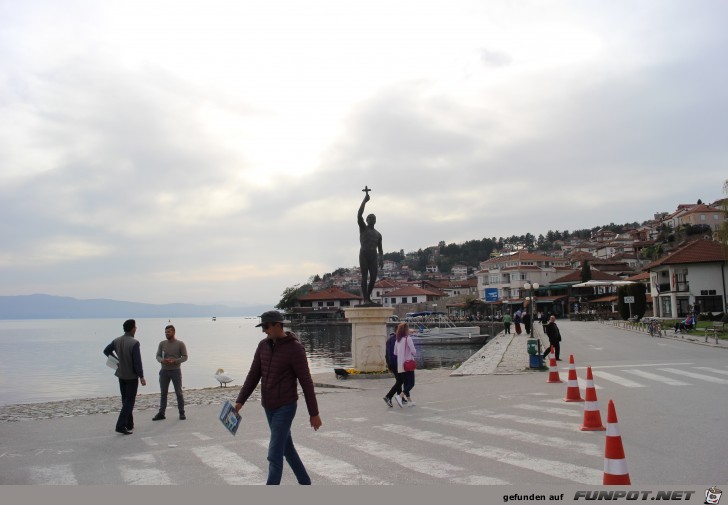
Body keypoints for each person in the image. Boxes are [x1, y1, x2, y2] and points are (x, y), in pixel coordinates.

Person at [235, 310, 322, 485]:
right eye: (262, 327)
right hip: (268, 406)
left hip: (286, 406)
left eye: (266, 326)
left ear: (277, 325)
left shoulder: (295, 349)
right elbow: (253, 375)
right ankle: (305, 483)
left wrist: (314, 413)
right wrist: (239, 402)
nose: (264, 331)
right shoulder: (262, 346)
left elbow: (306, 382)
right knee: (287, 448)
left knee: (274, 454)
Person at [103, 319, 146, 435]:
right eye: (135, 327)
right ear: (132, 328)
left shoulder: (117, 340)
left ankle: (129, 423)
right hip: (131, 376)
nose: (136, 328)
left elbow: (106, 351)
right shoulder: (134, 343)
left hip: (121, 374)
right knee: (129, 401)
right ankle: (120, 425)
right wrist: (141, 376)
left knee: (125, 399)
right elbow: (137, 362)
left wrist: (116, 360)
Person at [152, 324, 188, 421]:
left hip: (175, 371)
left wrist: (175, 361)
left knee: (179, 393)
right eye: (165, 332)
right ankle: (161, 413)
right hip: (164, 371)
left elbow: (185, 357)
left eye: (168, 332)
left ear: (173, 332)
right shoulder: (162, 343)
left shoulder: (180, 344)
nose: (166, 334)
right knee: (163, 393)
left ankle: (181, 412)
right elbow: (158, 356)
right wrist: (161, 361)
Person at [357, 189, 383, 305]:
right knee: (364, 276)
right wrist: (365, 201)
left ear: (376, 221)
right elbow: (359, 214)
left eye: (374, 218)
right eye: (370, 218)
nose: (372, 219)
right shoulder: (363, 228)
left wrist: (381, 258)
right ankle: (365, 299)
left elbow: (380, 249)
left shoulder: (378, 234)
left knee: (373, 278)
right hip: (364, 254)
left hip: (374, 256)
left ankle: (368, 297)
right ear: (367, 220)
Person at [393, 322, 417, 407]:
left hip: (401, 365)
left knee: (406, 383)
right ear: (405, 330)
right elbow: (414, 351)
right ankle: (400, 396)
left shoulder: (397, 340)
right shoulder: (408, 339)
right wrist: (412, 354)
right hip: (408, 364)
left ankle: (409, 401)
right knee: (411, 383)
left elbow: (395, 353)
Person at [383, 331, 403, 407]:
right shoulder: (396, 340)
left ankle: (400, 397)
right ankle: (388, 396)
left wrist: (389, 364)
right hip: (396, 363)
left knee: (399, 380)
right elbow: (395, 353)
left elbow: (387, 354)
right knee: (400, 380)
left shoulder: (390, 339)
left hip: (392, 364)